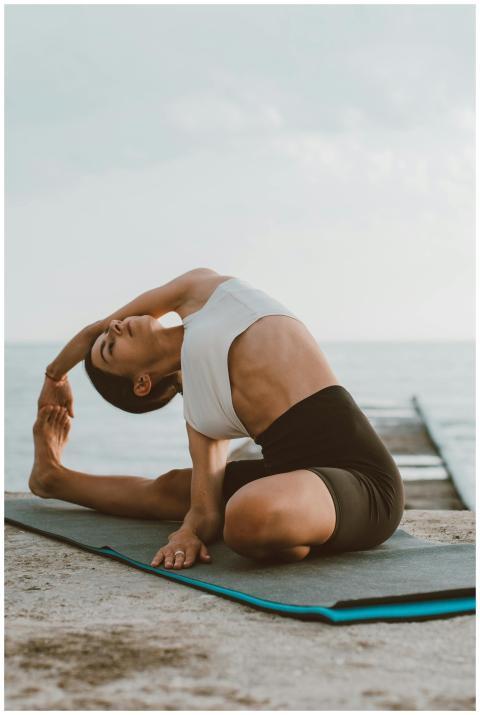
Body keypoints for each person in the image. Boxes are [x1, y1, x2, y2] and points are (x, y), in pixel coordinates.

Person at [31, 267, 404, 570]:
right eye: (111, 349)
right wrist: (188, 533)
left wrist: (55, 376)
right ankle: (54, 478)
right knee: (178, 487)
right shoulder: (201, 408)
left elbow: (94, 328)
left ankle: (282, 531)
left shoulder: (200, 291)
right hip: (292, 484)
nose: (113, 329)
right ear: (141, 382)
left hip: (363, 484)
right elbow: (203, 510)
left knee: (245, 516)